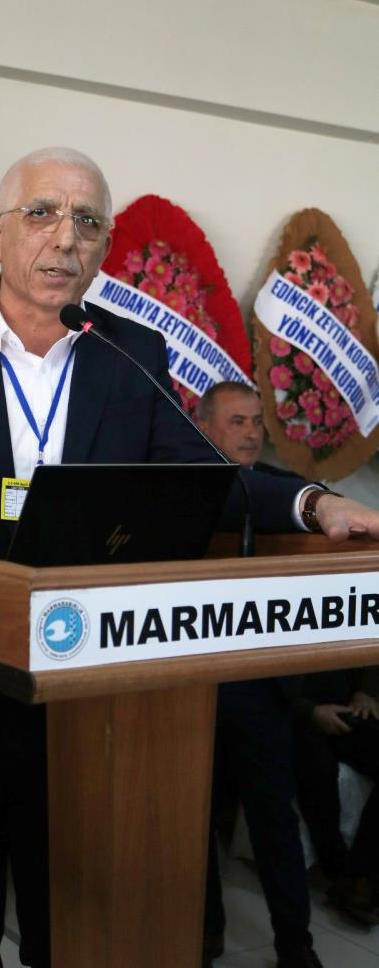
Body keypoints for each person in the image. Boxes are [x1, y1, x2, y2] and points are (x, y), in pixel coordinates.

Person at [0, 149, 379, 968]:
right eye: (42, 213)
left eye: (88, 221)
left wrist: (313, 504)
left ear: (104, 249)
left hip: (83, 715)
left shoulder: (128, 351)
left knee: (70, 943)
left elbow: (204, 480)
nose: (65, 237)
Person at [198, 382, 322, 968]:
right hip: (194, 684)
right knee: (193, 818)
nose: (251, 433)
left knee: (275, 818)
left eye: (256, 421)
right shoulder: (180, 487)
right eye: (237, 422)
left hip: (260, 687)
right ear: (204, 429)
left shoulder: (280, 488)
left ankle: (296, 944)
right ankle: (204, 935)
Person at [292, 666, 379, 925]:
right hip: (293, 715)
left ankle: (360, 875)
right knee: (318, 771)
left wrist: (365, 691)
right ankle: (339, 871)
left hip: (346, 708)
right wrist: (310, 711)